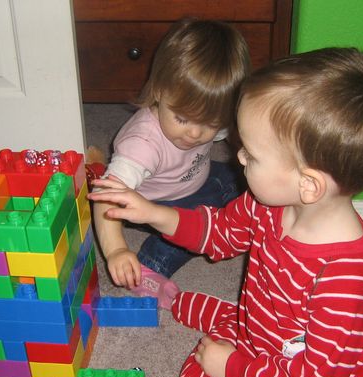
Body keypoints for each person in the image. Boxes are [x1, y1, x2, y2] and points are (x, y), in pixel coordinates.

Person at [88, 47, 363, 377]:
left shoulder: (345, 281)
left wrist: (231, 368)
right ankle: (211, 318)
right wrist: (150, 211)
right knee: (204, 361)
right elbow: (218, 232)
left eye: (252, 155)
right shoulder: (269, 206)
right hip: (269, 335)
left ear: (308, 184)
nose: (237, 156)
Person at [88, 18, 250, 309]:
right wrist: (115, 250)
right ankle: (150, 263)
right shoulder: (143, 145)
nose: (195, 134)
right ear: (160, 91)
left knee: (248, 183)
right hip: (152, 205)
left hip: (195, 179)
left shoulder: (208, 114)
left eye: (210, 124)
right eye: (183, 119)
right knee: (197, 229)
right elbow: (105, 197)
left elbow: (236, 139)